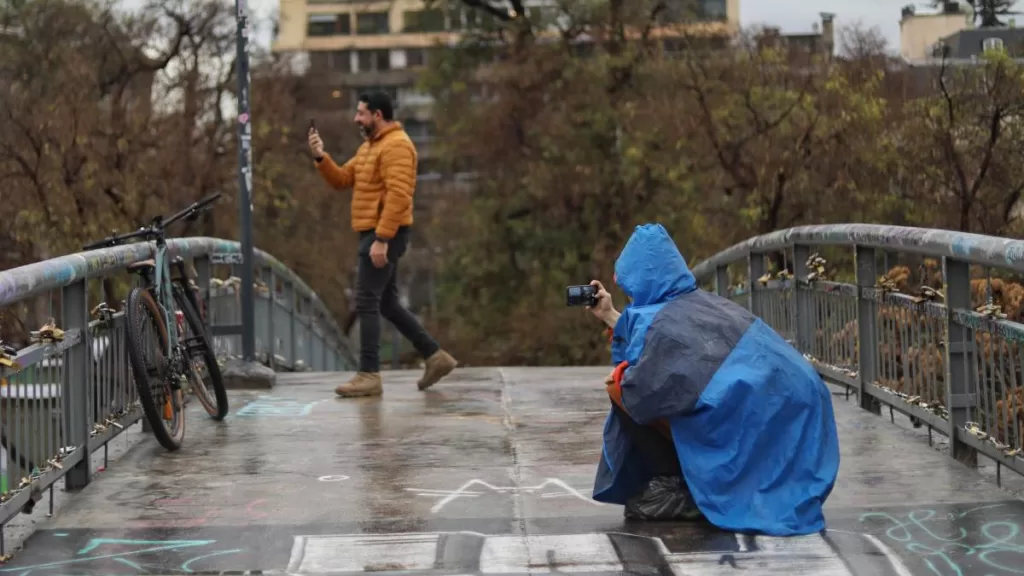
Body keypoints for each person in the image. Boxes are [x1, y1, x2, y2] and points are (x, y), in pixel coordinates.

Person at [586, 223, 841, 536]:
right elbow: (648, 334)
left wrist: (621, 377)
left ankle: (685, 484)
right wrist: (611, 316)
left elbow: (642, 394)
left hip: (768, 413)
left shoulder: (665, 325)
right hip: (804, 403)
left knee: (622, 389)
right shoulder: (705, 305)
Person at [308, 91, 457, 398]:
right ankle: (435, 355)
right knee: (386, 302)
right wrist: (321, 157)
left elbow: (400, 196)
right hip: (373, 233)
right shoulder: (369, 148)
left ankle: (369, 374)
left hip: (384, 234)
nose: (356, 118)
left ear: (377, 115)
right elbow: (342, 179)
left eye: (361, 113)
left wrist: (382, 239)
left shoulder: (397, 146)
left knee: (366, 300)